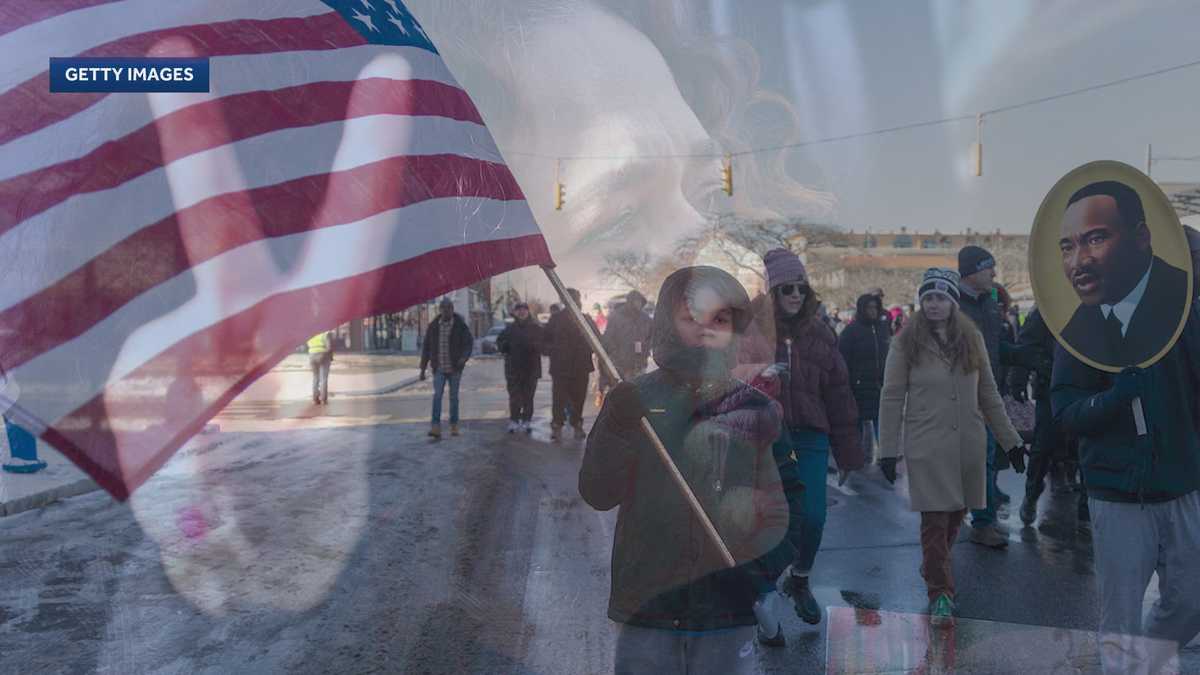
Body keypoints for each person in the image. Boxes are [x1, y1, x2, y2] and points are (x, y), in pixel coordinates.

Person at [579, 265, 791, 674]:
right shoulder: (635, 401)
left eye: (720, 318)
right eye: (692, 317)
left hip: (726, 608)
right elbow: (598, 492)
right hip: (651, 604)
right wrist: (618, 429)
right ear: (668, 322)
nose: (705, 329)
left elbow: (787, 500)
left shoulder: (757, 409)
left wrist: (761, 569)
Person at [1052, 303, 1200, 674]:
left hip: (1183, 485)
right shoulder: (1085, 322)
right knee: (1121, 616)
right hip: (1119, 492)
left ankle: (1146, 664)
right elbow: (1067, 413)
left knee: (1192, 601)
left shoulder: (1186, 315)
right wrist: (1114, 398)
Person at [878, 268, 1024, 627]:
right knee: (935, 520)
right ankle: (941, 594)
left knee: (954, 516)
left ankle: (932, 563)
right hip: (926, 445)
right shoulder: (905, 342)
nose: (934, 304)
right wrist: (888, 449)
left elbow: (988, 393)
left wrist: (1012, 441)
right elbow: (892, 396)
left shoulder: (971, 339)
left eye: (941, 297)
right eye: (928, 297)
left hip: (968, 444)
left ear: (953, 302)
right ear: (920, 302)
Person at [736, 248, 864, 626]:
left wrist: (849, 455)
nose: (795, 296)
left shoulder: (820, 332)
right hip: (766, 436)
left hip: (809, 436)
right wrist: (759, 372)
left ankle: (800, 579)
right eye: (787, 288)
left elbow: (839, 393)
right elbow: (727, 376)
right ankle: (762, 593)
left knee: (812, 517)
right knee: (768, 520)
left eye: (801, 289)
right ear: (772, 292)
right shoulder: (751, 330)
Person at [1059, 180, 1189, 366]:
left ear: (1141, 237)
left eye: (1096, 239)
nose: (1078, 262)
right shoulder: (1073, 333)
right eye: (1067, 248)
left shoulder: (1189, 300)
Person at [956, 245, 1014, 548]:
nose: (993, 273)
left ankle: (984, 519)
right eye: (987, 267)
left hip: (990, 392)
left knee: (986, 459)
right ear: (971, 271)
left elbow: (996, 346)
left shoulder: (990, 302)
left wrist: (1020, 356)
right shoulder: (952, 304)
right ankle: (979, 521)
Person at [838, 293, 890, 453]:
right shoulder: (851, 331)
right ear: (862, 309)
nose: (873, 311)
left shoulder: (882, 329)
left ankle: (886, 454)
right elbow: (842, 360)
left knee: (881, 422)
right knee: (857, 422)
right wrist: (848, 383)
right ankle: (856, 455)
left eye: (875, 307)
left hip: (879, 385)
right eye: (869, 307)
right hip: (858, 387)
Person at [545, 289, 596, 440]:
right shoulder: (556, 319)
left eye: (574, 299)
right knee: (559, 399)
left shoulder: (585, 319)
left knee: (578, 398)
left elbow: (597, 340)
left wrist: (589, 348)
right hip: (560, 367)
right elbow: (545, 339)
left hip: (581, 366)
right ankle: (557, 426)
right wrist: (553, 350)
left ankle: (577, 424)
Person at [419, 299, 473, 439]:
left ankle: (454, 425)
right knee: (437, 396)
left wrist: (463, 358)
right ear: (440, 310)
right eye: (443, 308)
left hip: (455, 368)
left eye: (448, 308)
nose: (446, 311)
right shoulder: (433, 327)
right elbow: (426, 348)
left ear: (452, 309)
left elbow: (468, 344)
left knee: (454, 398)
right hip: (439, 369)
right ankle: (435, 427)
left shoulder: (460, 325)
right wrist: (423, 369)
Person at [497, 302, 543, 434]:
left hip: (531, 369)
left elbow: (543, 343)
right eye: (519, 310)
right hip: (513, 369)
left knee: (528, 397)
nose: (522, 312)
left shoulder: (536, 328)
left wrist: (535, 346)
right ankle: (514, 420)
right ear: (515, 313)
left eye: (524, 310)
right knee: (515, 397)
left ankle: (527, 420)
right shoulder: (509, 329)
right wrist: (504, 346)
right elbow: (500, 343)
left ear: (528, 312)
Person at [602, 290, 654, 381]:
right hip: (621, 365)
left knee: (639, 390)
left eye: (640, 301)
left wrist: (646, 350)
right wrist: (617, 355)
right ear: (629, 302)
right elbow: (608, 339)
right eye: (636, 301)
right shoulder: (616, 317)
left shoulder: (646, 319)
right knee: (624, 391)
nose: (638, 304)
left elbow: (652, 337)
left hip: (640, 363)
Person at [306, 330, 334, 406]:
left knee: (315, 378)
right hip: (323, 354)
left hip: (312, 355)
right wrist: (330, 357)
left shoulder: (310, 333)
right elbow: (329, 347)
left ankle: (315, 399)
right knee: (323, 378)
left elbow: (307, 344)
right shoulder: (325, 333)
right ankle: (324, 400)